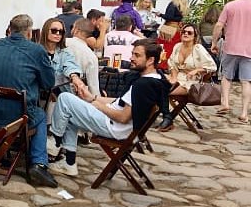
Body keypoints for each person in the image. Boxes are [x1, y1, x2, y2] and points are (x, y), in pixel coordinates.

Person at [49, 39, 171, 177]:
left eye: (137, 55)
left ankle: (55, 141)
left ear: (150, 60)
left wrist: (98, 106)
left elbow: (123, 117)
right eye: (132, 54)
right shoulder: (153, 80)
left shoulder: (143, 85)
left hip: (115, 127)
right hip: (120, 127)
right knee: (70, 112)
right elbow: (120, 102)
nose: (131, 58)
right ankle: (69, 163)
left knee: (65, 98)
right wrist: (92, 98)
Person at [0, 14, 57, 188]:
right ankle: (38, 164)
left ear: (10, 29)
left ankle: (3, 150)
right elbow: (48, 83)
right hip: (17, 117)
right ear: (29, 32)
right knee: (39, 115)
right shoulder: (36, 50)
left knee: (28, 107)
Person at [156, 24, 218, 132]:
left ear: (195, 36)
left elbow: (212, 66)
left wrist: (197, 70)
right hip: (177, 77)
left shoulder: (198, 48)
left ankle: (167, 117)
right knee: (153, 83)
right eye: (184, 32)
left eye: (189, 33)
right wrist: (174, 76)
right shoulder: (177, 46)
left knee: (164, 91)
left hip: (192, 81)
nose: (185, 34)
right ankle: (163, 116)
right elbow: (171, 64)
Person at [212, 0, 251, 122]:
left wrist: (214, 42)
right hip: (249, 48)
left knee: (226, 77)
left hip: (231, 45)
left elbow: (219, 25)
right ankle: (244, 113)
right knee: (246, 81)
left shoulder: (230, 6)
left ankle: (225, 103)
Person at [39, 18, 87, 96]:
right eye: (54, 30)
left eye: (61, 32)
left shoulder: (65, 52)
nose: (58, 34)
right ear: (45, 31)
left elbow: (70, 65)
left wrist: (74, 76)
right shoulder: (36, 51)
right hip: (41, 96)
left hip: (61, 94)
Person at [65, 19, 100, 96]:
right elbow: (93, 87)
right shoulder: (91, 56)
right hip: (76, 96)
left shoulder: (63, 43)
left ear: (77, 30)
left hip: (53, 93)